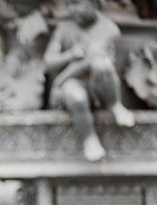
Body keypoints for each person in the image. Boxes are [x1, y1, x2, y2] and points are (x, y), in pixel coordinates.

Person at [43, 0, 135, 162]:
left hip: (98, 83)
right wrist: (70, 54)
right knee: (76, 97)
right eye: (69, 5)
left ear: (94, 4)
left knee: (102, 66)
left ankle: (115, 105)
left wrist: (59, 81)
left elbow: (89, 62)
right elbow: (49, 61)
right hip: (74, 83)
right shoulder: (64, 28)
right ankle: (90, 139)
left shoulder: (108, 29)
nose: (72, 9)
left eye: (77, 3)